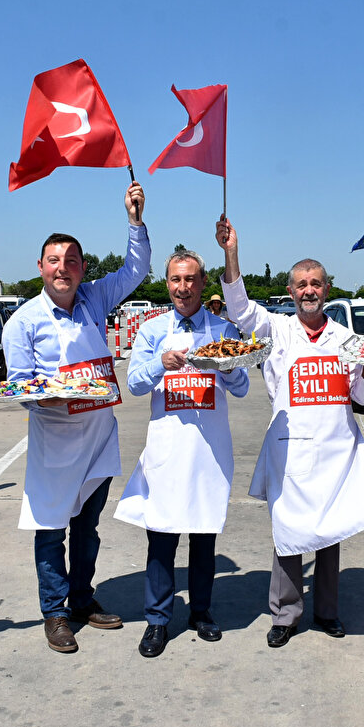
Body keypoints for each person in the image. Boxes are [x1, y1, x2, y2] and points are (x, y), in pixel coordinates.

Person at [215, 216, 364, 648]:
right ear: (291, 291)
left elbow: (363, 398)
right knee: (289, 533)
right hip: (290, 450)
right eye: (301, 284)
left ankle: (328, 612)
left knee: (330, 533)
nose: (309, 290)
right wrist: (231, 252)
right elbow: (240, 309)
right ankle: (285, 614)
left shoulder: (346, 339)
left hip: (336, 452)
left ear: (327, 289)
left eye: (316, 283)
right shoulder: (276, 329)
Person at [1, 183, 149, 654]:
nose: (62, 268)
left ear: (83, 268)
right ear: (40, 267)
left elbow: (136, 270)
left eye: (71, 260)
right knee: (51, 530)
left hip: (99, 437)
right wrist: (51, 397)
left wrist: (134, 221)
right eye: (54, 260)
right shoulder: (23, 322)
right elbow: (20, 385)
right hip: (55, 443)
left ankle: (83, 600)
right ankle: (55, 612)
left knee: (88, 529)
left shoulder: (94, 299)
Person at [115, 251, 249, 658]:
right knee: (162, 536)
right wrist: (160, 364)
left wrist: (226, 365)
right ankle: (157, 620)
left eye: (190, 279)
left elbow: (242, 387)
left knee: (204, 535)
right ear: (167, 284)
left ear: (203, 283)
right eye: (176, 279)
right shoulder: (152, 330)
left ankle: (201, 611)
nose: (183, 288)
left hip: (209, 451)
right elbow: (134, 384)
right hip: (167, 450)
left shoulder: (224, 329)